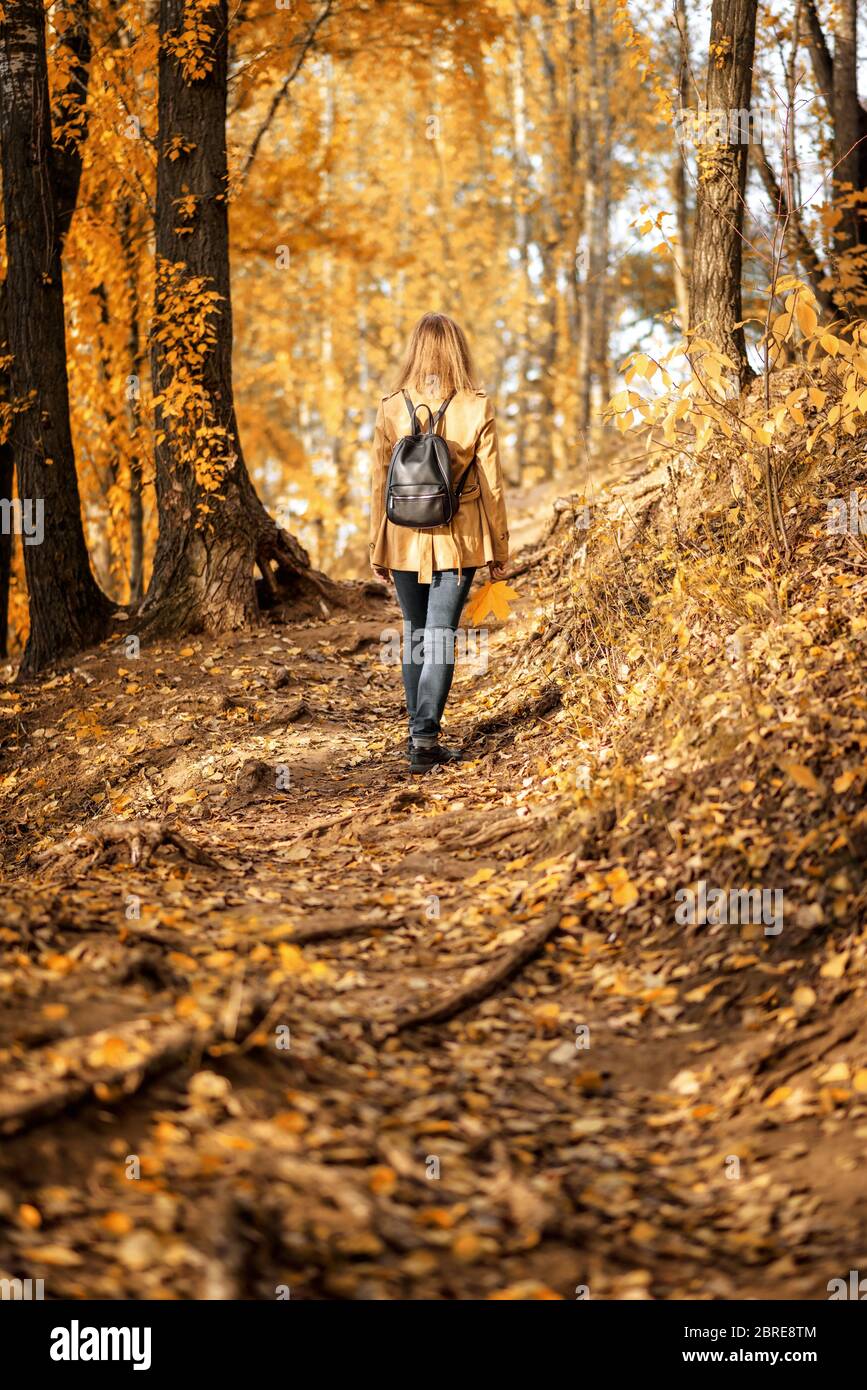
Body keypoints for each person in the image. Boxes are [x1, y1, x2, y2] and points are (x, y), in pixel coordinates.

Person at [369, 313, 509, 772]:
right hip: (458, 538)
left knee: (415, 633)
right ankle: (424, 741)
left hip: (402, 537)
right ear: (457, 349)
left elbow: (377, 484)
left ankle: (418, 737)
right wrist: (499, 549)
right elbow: (492, 485)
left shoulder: (390, 406)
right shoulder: (476, 406)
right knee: (441, 638)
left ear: (415, 351)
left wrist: (377, 546)